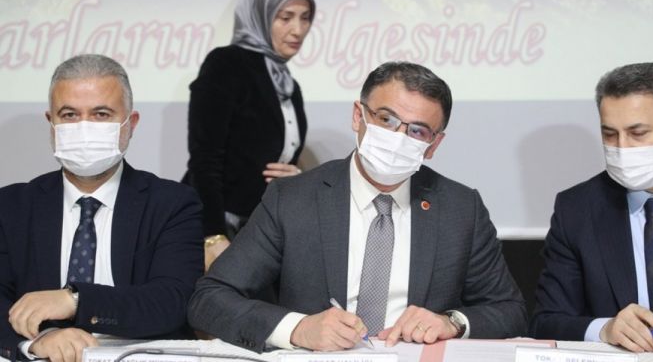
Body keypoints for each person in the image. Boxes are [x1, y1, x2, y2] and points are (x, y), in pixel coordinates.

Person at [188, 61, 526, 352]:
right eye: (387, 119)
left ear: (434, 145)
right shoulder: (292, 199)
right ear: (358, 115)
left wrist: (451, 322)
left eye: (418, 131)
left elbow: (510, 310)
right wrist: (298, 328)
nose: (398, 138)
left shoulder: (460, 208)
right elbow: (210, 299)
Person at [0, 55, 204, 361]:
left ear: (130, 123)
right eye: (69, 114)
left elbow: (174, 300)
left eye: (101, 114)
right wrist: (38, 340)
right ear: (51, 123)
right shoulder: (11, 206)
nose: (84, 127)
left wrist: (76, 300)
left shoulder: (172, 203)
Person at [530, 63, 653, 352]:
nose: (622, 148)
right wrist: (604, 329)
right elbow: (546, 321)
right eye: (610, 134)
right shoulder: (577, 209)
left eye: (638, 133)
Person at [182, 0, 315, 270]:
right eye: (285, 17)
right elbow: (205, 159)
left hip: (262, 228)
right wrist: (213, 236)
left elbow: (278, 158)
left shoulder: (288, 84)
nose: (298, 30)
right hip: (218, 228)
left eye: (305, 18)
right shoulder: (226, 64)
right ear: (260, 16)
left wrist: (296, 178)